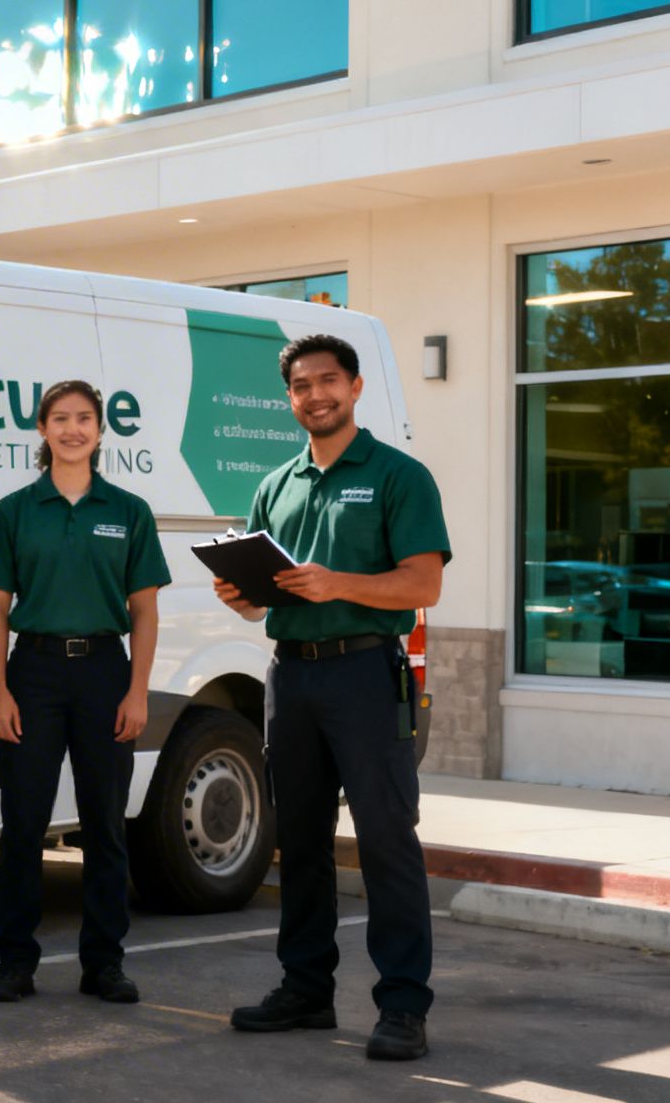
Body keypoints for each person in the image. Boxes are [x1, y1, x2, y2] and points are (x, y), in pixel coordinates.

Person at [216, 333, 449, 1061]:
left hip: (363, 674)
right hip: (291, 674)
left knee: (385, 839)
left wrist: (339, 582)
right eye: (300, 387)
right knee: (302, 839)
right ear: (289, 400)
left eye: (327, 381)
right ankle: (306, 988)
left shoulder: (398, 476)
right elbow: (263, 603)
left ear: (353, 388)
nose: (314, 395)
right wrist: (240, 595)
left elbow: (423, 584)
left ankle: (404, 1005)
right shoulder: (275, 485)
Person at [0, 380, 169, 1005]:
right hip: (35, 672)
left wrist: (139, 692)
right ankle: (15, 964)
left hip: (106, 670)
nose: (73, 429)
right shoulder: (15, 510)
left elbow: (145, 612)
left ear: (102, 431)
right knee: (22, 824)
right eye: (61, 418)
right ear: (43, 429)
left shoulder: (128, 511)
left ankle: (104, 963)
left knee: (105, 826)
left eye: (84, 419)